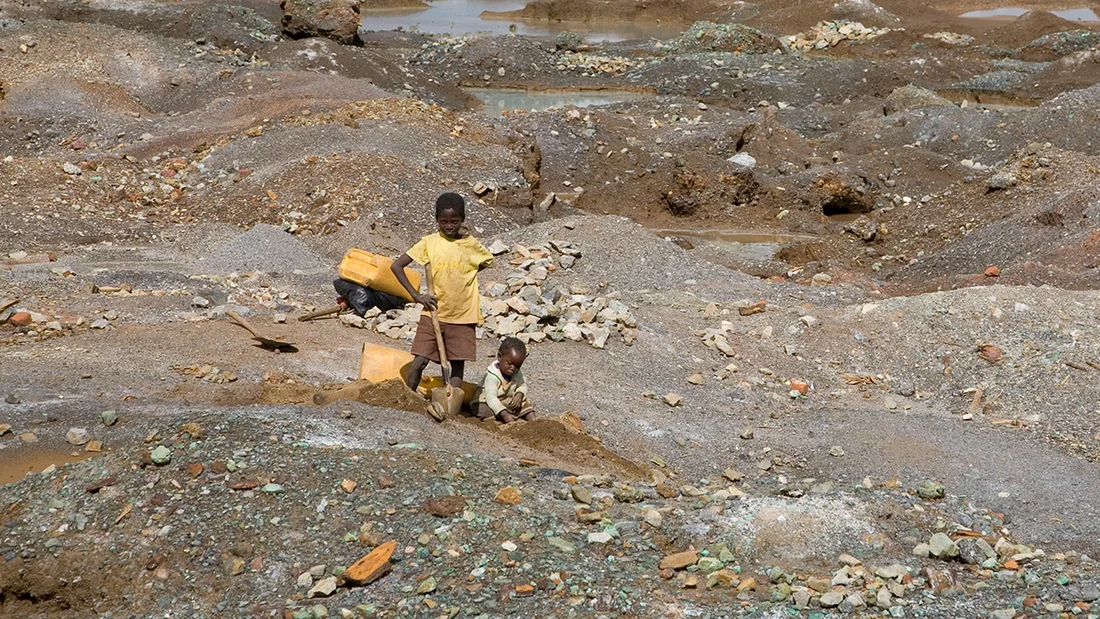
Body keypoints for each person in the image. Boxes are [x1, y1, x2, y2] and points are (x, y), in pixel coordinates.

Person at [391, 192, 493, 393]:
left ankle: (450, 405)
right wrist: (416, 295)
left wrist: (466, 274)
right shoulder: (429, 243)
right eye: (443, 221)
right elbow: (397, 266)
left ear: (462, 220)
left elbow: (486, 261)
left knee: (456, 365)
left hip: (463, 315)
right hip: (434, 312)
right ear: (436, 220)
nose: (449, 226)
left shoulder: (472, 245)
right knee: (420, 360)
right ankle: (408, 398)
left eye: (454, 221)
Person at [475, 337, 535, 423]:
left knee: (524, 404)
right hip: (487, 401)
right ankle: (501, 419)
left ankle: (533, 421)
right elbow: (491, 398)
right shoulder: (492, 376)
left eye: (517, 366)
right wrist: (503, 413)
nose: (513, 368)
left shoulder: (517, 373)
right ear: (500, 356)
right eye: (510, 363)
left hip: (505, 400)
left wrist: (519, 394)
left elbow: (522, 385)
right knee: (484, 411)